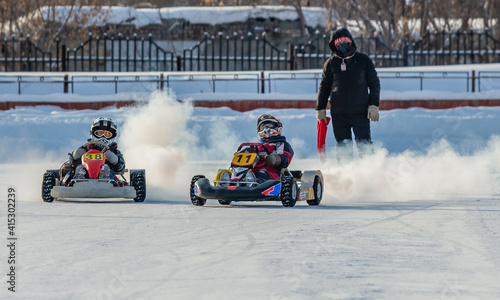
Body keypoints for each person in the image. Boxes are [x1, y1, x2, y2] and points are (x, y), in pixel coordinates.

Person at [316, 27, 381, 160]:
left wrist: (374, 105)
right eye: (338, 43)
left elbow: (374, 84)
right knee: (344, 148)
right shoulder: (331, 64)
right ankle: (347, 176)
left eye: (345, 41)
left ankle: (371, 172)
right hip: (339, 113)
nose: (342, 45)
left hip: (360, 112)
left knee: (364, 146)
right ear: (334, 45)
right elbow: (324, 87)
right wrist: (320, 108)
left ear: (351, 41)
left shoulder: (363, 61)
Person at [62, 117, 125, 182]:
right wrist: (75, 156)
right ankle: (78, 182)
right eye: (100, 133)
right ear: (93, 133)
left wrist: (115, 160)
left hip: (109, 182)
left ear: (113, 136)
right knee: (79, 168)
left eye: (107, 134)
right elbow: (72, 163)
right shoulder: (86, 148)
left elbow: (120, 168)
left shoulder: (114, 151)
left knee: (105, 168)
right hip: (85, 177)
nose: (103, 137)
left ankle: (105, 182)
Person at [252, 114, 294, 183]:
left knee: (261, 173)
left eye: (270, 126)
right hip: (252, 172)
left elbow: (285, 160)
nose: (267, 129)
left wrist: (275, 159)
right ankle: (232, 182)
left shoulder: (281, 144)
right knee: (238, 174)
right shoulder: (256, 146)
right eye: (264, 127)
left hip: (272, 174)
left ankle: (256, 185)